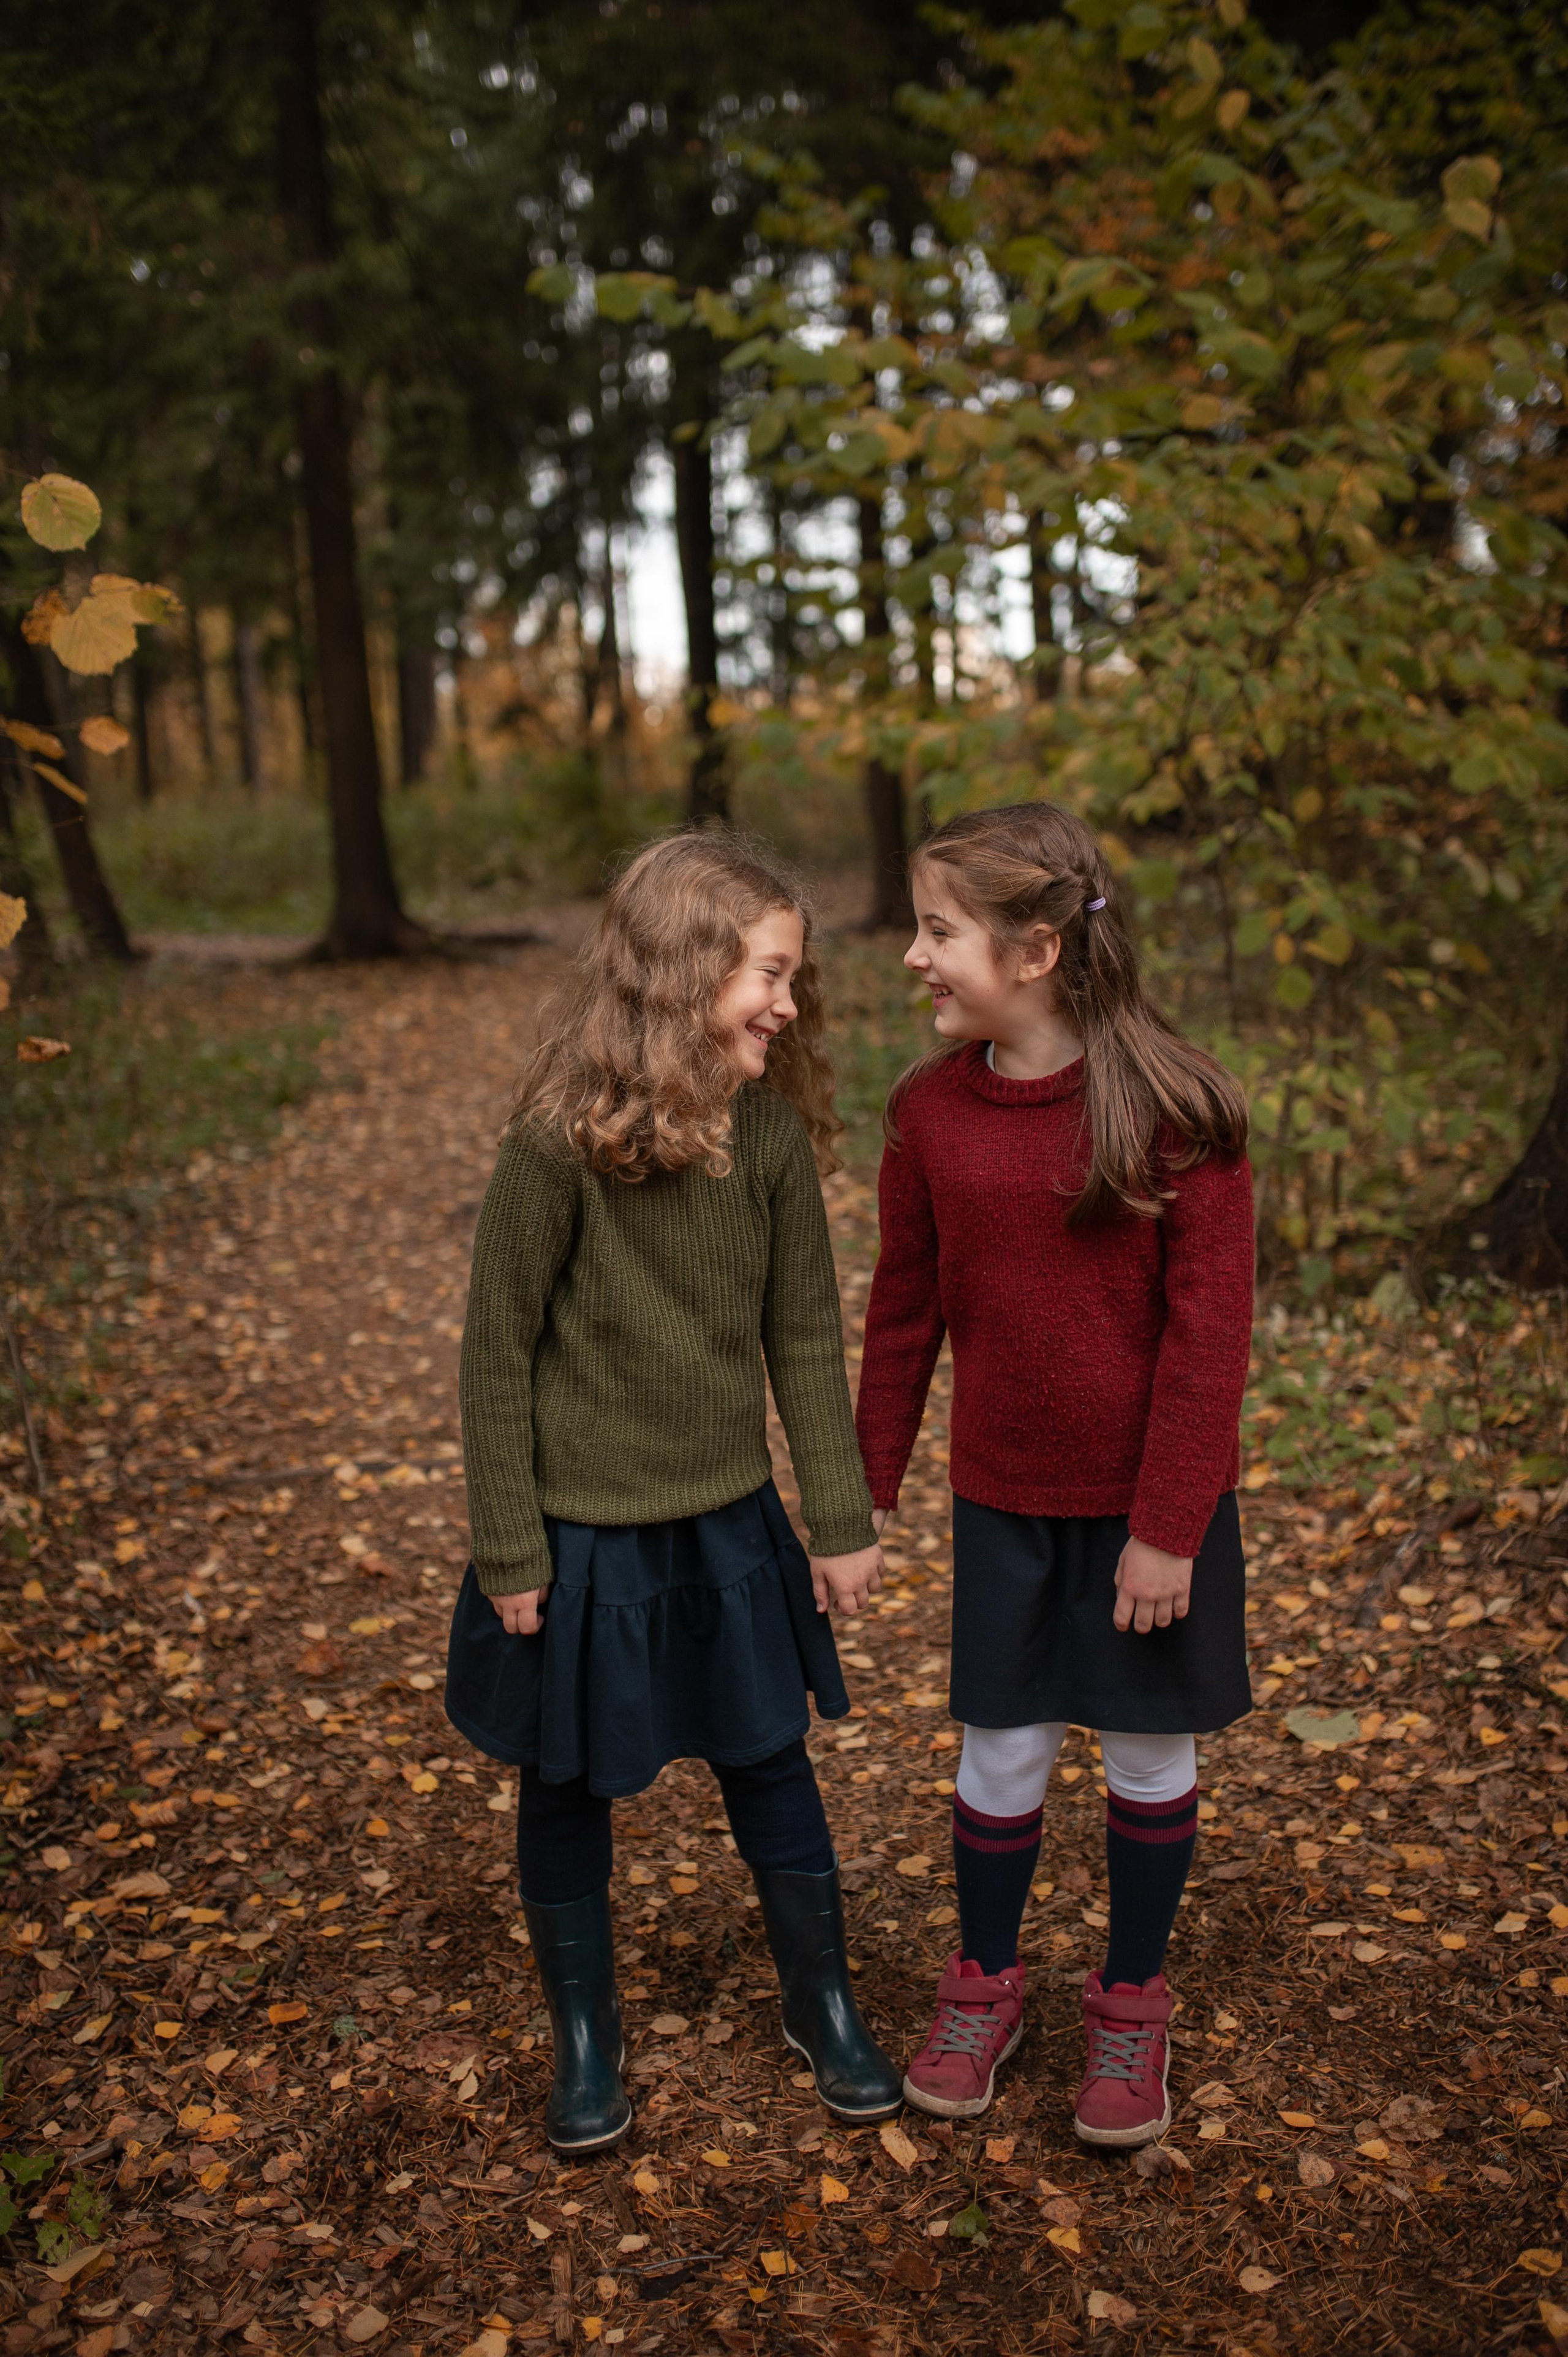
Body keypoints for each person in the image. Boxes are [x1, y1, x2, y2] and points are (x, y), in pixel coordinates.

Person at [445, 831, 902, 2153]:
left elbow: (804, 1334)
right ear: (679, 967)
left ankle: (819, 1998)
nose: (786, 1001)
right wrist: (508, 1544)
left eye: (791, 977)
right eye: (767, 971)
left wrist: (836, 1514)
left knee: (769, 1754)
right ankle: (584, 2034)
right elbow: (497, 1348)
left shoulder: (762, 1134)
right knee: (564, 1779)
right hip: (580, 1536)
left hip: (722, 1525)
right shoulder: (556, 1142)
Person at [855, 802, 1254, 2147]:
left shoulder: (1175, 1108)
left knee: (1145, 1749)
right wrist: (866, 1483)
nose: (913, 956)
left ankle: (1131, 2002)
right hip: (1004, 1504)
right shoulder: (927, 1114)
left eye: (936, 930)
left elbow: (1209, 1340)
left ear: (1032, 952)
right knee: (1001, 1745)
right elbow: (903, 1309)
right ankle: (984, 1982)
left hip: (1150, 1515)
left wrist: (1167, 1526)